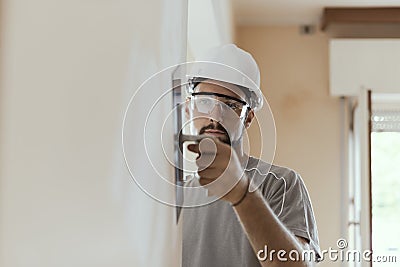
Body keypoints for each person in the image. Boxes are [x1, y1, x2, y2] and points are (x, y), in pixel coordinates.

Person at [181, 44, 321, 267]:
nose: (215, 116)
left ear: (248, 118)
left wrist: (242, 192)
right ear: (188, 108)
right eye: (205, 102)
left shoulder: (280, 184)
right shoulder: (179, 194)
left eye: (230, 105)